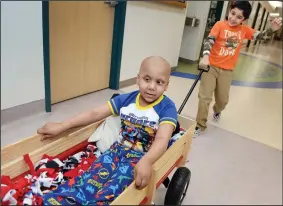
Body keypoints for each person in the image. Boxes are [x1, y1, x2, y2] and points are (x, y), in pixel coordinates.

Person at [37, 56, 178, 205]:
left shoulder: (167, 108)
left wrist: (147, 161)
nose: (151, 87)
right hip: (116, 151)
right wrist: (63, 125)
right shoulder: (126, 99)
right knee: (90, 179)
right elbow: (95, 113)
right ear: (138, 79)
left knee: (114, 189)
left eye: (159, 82)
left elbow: (162, 139)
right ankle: (62, 200)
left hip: (140, 157)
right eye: (147, 79)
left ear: (166, 86)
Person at [194, 1, 282, 136]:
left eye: (239, 17)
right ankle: (200, 125)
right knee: (204, 97)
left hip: (227, 71)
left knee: (222, 100)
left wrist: (272, 30)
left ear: (244, 20)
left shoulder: (244, 30)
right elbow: (210, 40)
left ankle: (217, 110)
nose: (233, 18)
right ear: (229, 10)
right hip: (211, 67)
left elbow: (260, 36)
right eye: (233, 13)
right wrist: (206, 56)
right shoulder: (220, 25)